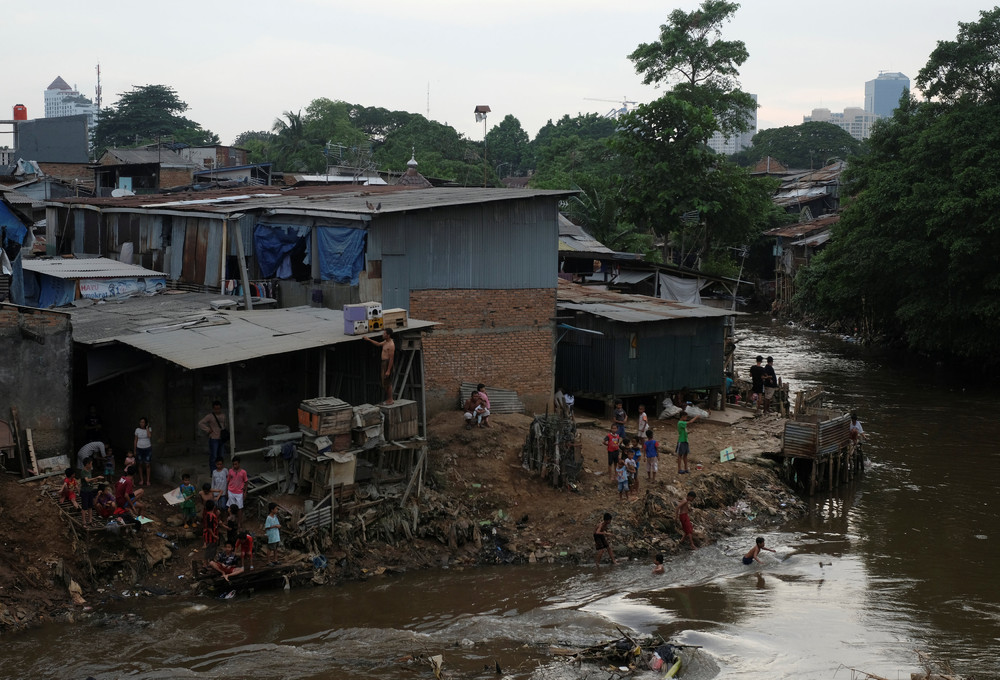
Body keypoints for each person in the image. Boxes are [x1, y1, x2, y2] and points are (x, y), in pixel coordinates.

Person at [363, 328, 396, 405]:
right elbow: (378, 344)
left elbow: (391, 359)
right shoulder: (385, 342)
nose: (383, 335)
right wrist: (368, 339)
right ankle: (388, 399)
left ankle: (390, 399)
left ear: (388, 335)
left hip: (387, 364)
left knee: (388, 382)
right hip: (383, 363)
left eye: (384, 334)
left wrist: (388, 370)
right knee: (384, 382)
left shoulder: (391, 345)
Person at [198, 401, 228, 472]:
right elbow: (200, 423)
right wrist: (208, 430)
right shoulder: (210, 416)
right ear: (213, 409)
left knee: (221, 456)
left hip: (221, 438)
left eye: (218, 409)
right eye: (216, 409)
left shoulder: (223, 416)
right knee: (213, 456)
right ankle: (213, 471)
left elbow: (225, 425)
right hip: (214, 438)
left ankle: (220, 471)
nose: (217, 410)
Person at [79, 457, 103, 526]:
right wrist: (97, 477)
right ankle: (84, 522)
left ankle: (90, 521)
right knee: (84, 507)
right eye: (91, 464)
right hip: (85, 491)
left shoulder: (89, 470)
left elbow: (90, 479)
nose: (91, 465)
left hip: (90, 490)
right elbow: (87, 480)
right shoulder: (83, 471)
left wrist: (94, 480)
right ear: (87, 464)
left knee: (90, 506)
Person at [227, 457, 249, 529]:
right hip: (231, 491)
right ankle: (232, 521)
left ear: (239, 463)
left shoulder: (243, 472)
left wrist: (245, 492)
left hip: (239, 492)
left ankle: (239, 523)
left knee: (239, 508)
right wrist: (227, 490)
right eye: (233, 464)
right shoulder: (230, 471)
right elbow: (228, 481)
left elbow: (246, 482)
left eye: (236, 464)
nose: (235, 466)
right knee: (231, 507)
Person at [133, 417, 153, 487]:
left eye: (143, 422)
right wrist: (135, 450)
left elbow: (149, 436)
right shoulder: (137, 430)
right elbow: (135, 440)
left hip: (147, 448)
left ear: (146, 423)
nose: (142, 423)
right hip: (139, 448)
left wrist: (147, 428)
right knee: (140, 464)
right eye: (140, 422)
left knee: (147, 464)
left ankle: (147, 480)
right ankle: (141, 479)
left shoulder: (149, 429)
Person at [202, 499, 220, 565]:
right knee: (209, 549)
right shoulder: (210, 516)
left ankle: (211, 561)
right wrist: (214, 535)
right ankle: (205, 563)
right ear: (214, 507)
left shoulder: (210, 514)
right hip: (210, 536)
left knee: (213, 548)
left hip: (213, 534)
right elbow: (209, 527)